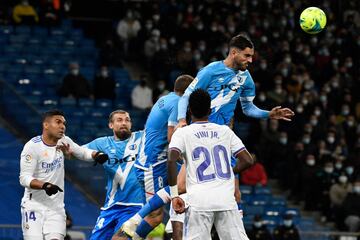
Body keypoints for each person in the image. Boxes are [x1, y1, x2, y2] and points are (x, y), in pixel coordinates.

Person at [168, 89, 254, 239]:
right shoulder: (225, 131)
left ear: (189, 110)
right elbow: (248, 160)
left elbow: (171, 160)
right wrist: (229, 172)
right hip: (225, 199)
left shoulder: (183, 133)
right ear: (210, 110)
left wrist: (174, 195)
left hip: (199, 201)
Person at [114, 75, 194, 239]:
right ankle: (130, 226)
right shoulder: (178, 103)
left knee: (187, 181)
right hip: (152, 165)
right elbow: (172, 138)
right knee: (156, 214)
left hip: (156, 160)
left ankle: (170, 222)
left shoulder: (165, 99)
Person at [19, 110, 109, 240]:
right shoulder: (32, 147)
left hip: (56, 208)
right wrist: (45, 185)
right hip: (33, 206)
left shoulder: (64, 140)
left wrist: (96, 155)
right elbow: (24, 178)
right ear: (46, 125)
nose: (63, 126)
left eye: (64, 123)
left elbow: (81, 152)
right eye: (58, 122)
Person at [177, 34, 294, 128]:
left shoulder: (246, 79)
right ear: (233, 53)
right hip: (200, 129)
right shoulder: (210, 71)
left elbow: (248, 108)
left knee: (246, 158)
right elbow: (186, 96)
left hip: (225, 133)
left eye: (251, 56)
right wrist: (182, 120)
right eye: (247, 55)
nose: (251, 60)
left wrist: (268, 114)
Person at [84, 110, 145, 240]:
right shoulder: (102, 143)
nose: (124, 123)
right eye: (119, 120)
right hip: (110, 207)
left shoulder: (142, 138)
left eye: (127, 120)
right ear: (110, 125)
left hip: (134, 207)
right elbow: (76, 152)